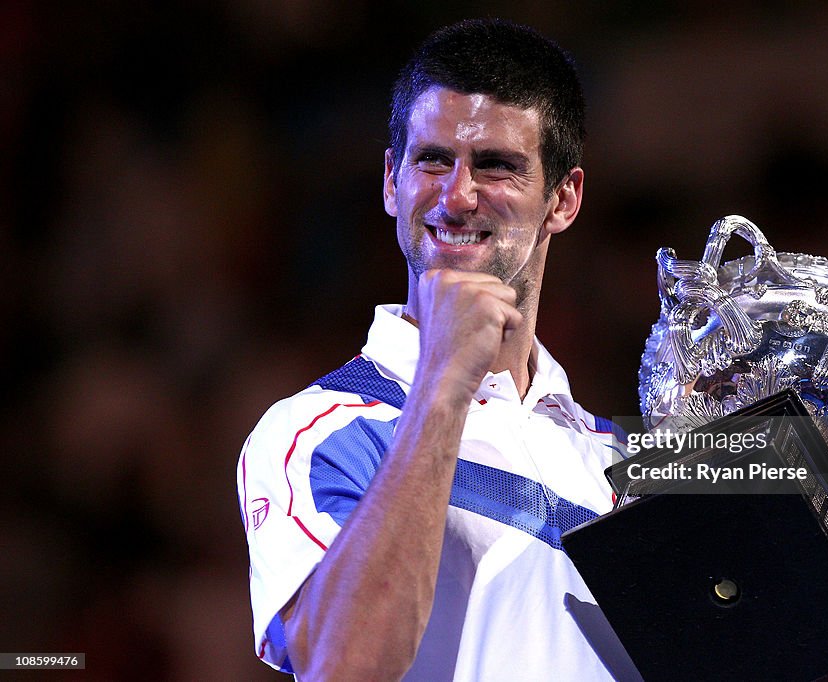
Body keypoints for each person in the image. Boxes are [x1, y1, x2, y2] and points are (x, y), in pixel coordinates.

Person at [237, 19, 635, 680]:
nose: (456, 196)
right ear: (392, 181)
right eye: (432, 160)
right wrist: (443, 383)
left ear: (563, 199)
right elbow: (341, 666)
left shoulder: (616, 461)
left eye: (497, 166)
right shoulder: (316, 432)